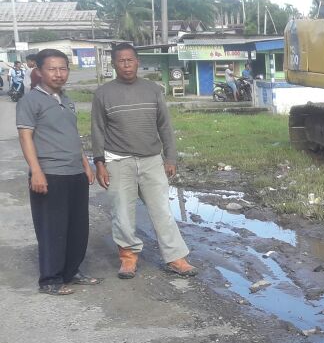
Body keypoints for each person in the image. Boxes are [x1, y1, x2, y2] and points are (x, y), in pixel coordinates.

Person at [91, 43, 197, 279]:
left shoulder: (153, 90)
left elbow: (165, 126)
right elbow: (97, 130)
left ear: (138, 62)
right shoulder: (103, 94)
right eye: (121, 61)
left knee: (162, 211)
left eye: (130, 60)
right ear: (114, 63)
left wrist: (170, 157)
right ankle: (128, 257)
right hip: (118, 161)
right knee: (122, 212)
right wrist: (99, 164)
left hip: (151, 160)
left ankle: (175, 257)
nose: (126, 65)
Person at [15, 49, 100, 295]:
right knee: (52, 228)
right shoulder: (30, 101)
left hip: (75, 173)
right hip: (50, 173)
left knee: (77, 227)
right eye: (52, 69)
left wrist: (85, 164)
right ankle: (50, 280)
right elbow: (25, 136)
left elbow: (72, 136)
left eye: (63, 68)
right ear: (39, 72)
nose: (58, 74)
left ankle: (71, 272)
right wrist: (36, 171)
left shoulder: (67, 99)